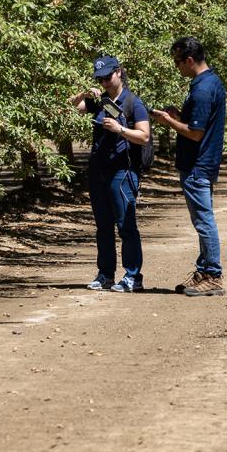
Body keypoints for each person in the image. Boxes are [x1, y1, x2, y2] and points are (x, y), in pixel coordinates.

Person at [150, 37, 227, 297]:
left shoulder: (203, 89)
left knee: (204, 221)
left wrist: (166, 121)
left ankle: (213, 275)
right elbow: (198, 126)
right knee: (202, 220)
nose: (177, 67)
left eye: (177, 62)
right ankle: (204, 271)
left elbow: (195, 134)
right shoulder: (211, 82)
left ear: (190, 60)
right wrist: (178, 117)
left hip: (197, 165)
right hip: (202, 162)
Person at [70, 55, 152, 293]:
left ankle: (133, 276)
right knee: (103, 226)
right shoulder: (103, 101)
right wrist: (84, 93)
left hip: (123, 172)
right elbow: (74, 107)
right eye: (100, 78)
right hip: (98, 171)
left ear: (119, 72)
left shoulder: (133, 103)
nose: (104, 82)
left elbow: (144, 136)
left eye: (107, 76)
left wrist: (121, 129)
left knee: (126, 225)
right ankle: (105, 274)